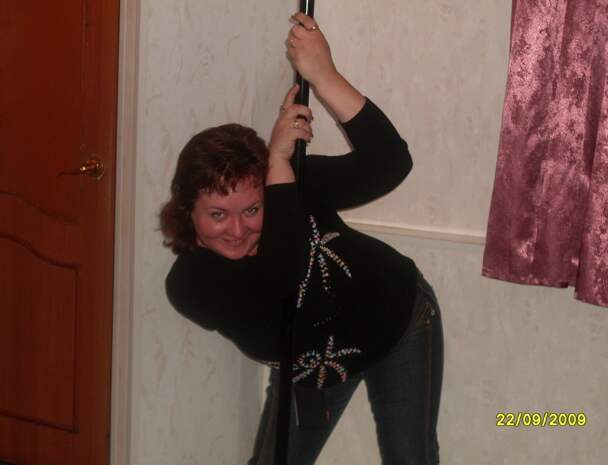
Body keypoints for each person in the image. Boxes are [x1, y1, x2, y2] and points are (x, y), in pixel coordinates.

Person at [161, 12, 443, 465]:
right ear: (187, 211)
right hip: (312, 369)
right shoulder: (191, 284)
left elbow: (390, 163)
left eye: (252, 210)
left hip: (398, 317)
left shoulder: (291, 184)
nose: (237, 229)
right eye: (217, 214)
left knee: (411, 459)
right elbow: (281, 287)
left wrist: (324, 76)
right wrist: (275, 164)